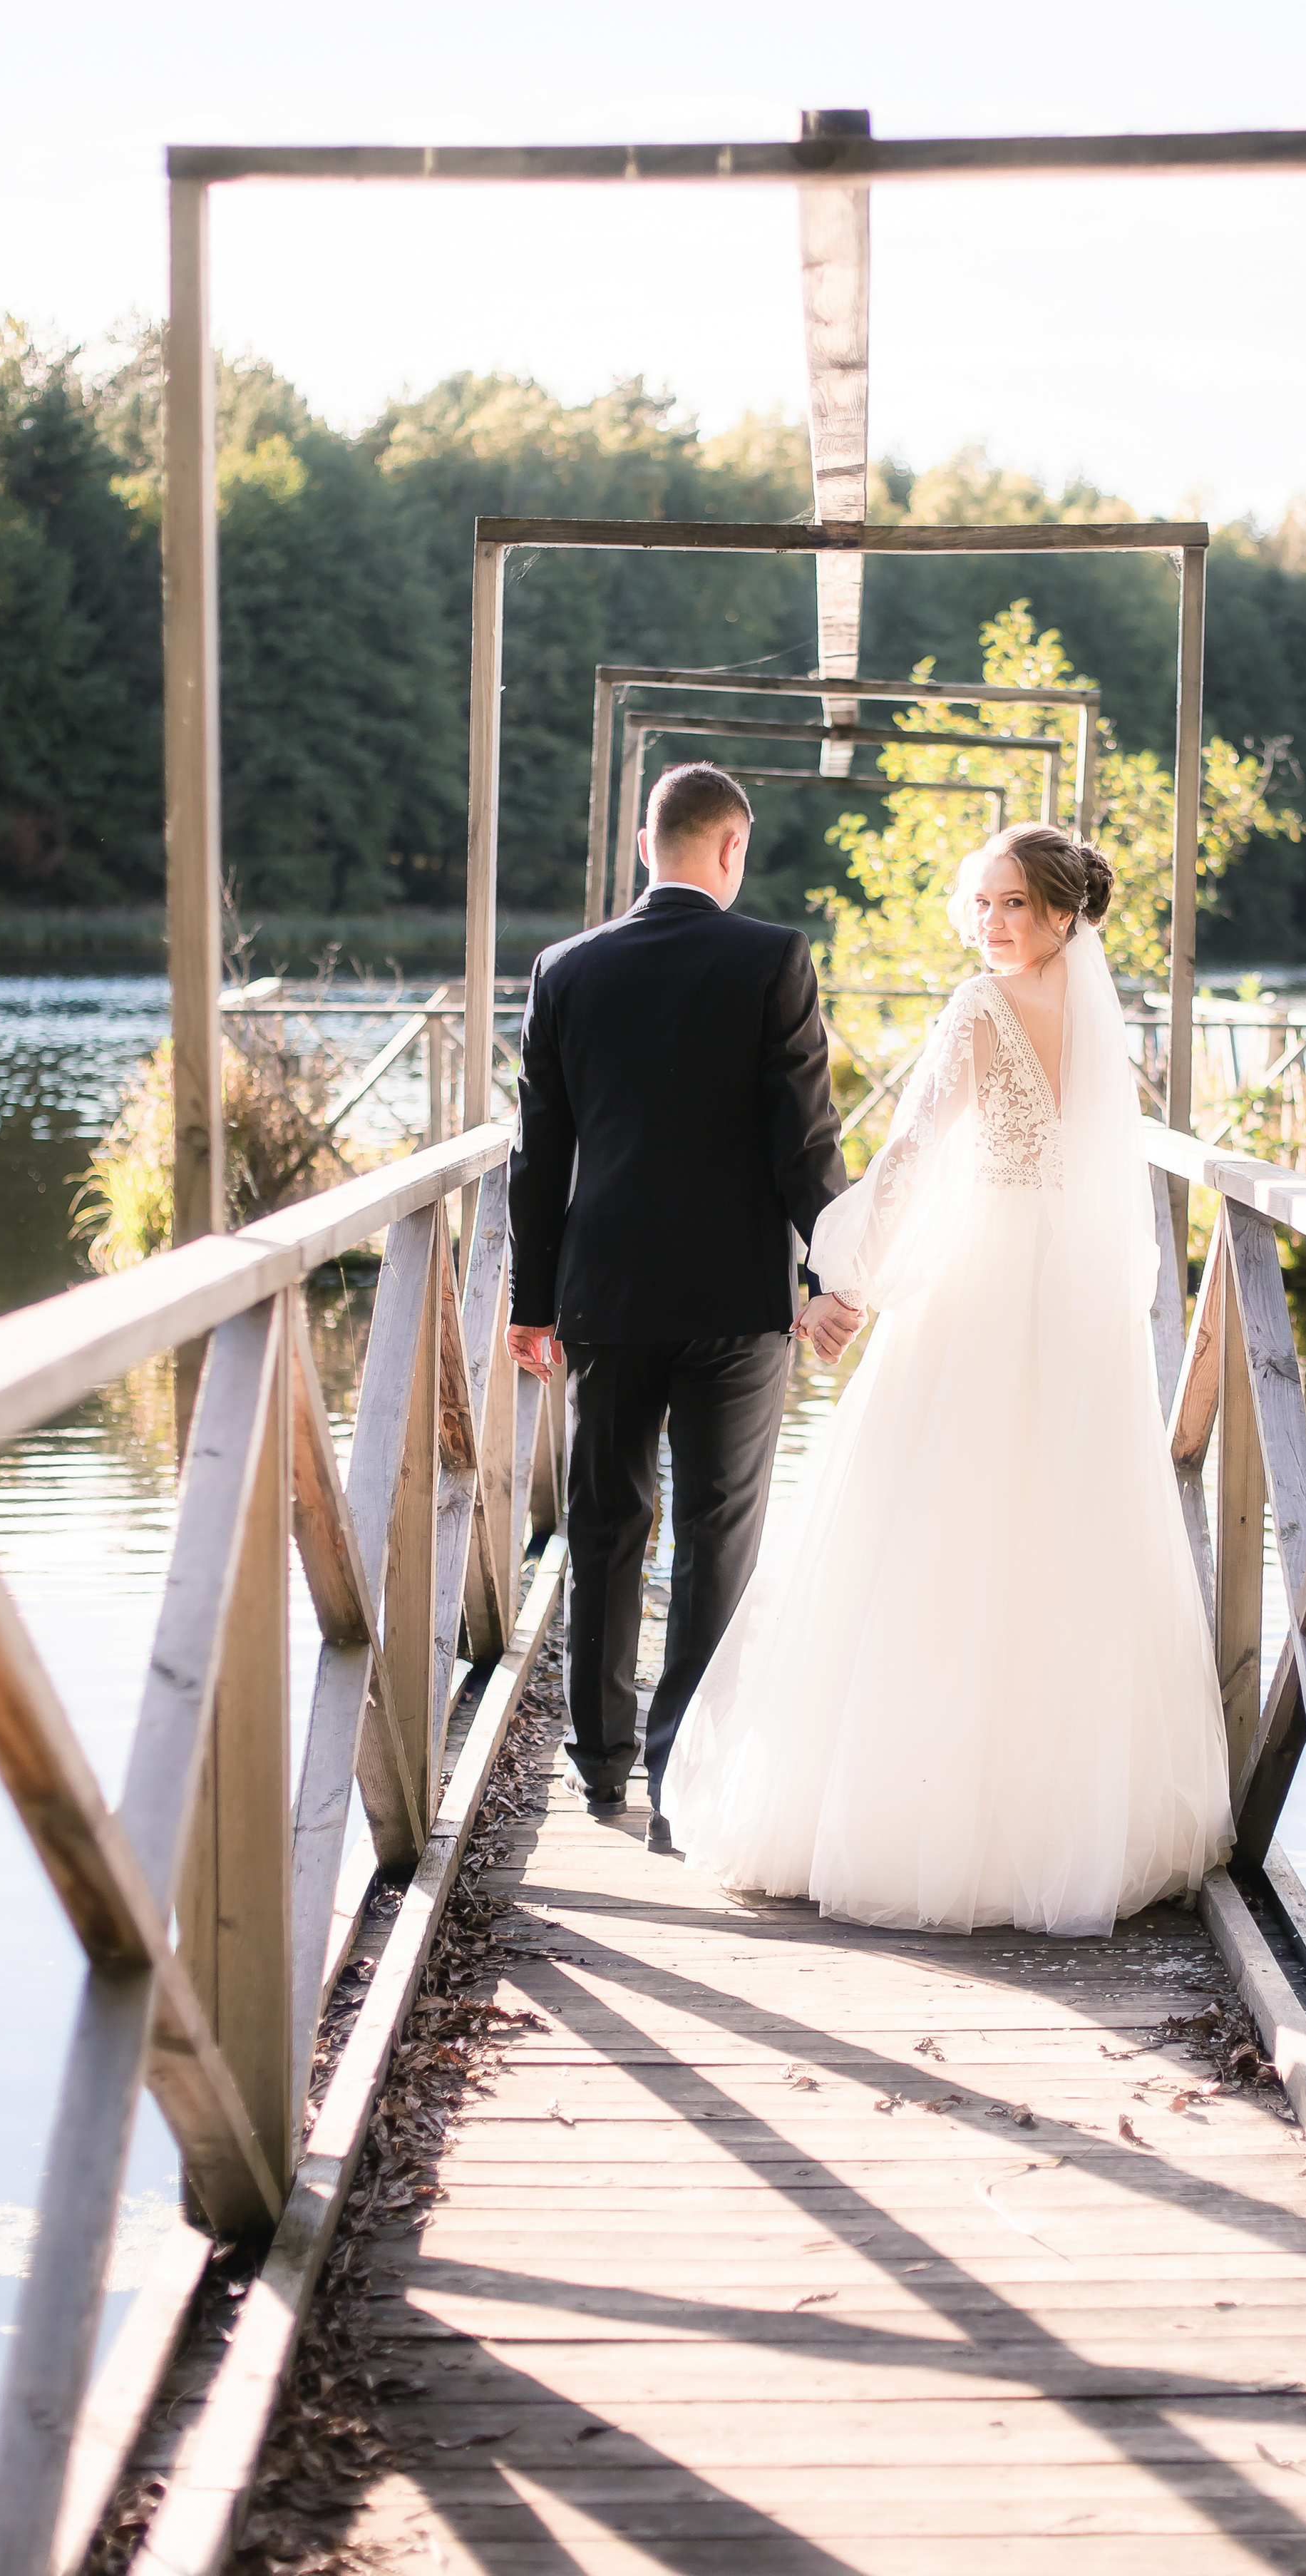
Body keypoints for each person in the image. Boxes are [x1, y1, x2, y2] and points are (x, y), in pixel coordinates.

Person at [663, 823, 1234, 1934]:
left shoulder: (980, 1010)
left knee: (937, 1518)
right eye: (980, 903)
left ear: (1064, 912)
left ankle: (923, 1820)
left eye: (1012, 904)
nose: (990, 925)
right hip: (1068, 1300)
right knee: (1044, 1526)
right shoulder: (1099, 1017)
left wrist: (844, 1277)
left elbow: (917, 1155)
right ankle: (1057, 1820)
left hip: (988, 1294)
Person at [506, 761, 855, 1853]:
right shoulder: (773, 959)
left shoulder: (564, 968)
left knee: (606, 1527)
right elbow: (803, 1142)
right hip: (737, 1300)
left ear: (645, 847)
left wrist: (532, 1299)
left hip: (604, 1294)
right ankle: (683, 1770)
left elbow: (537, 1158)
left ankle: (598, 1765)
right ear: (732, 846)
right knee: (717, 1534)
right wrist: (830, 1274)